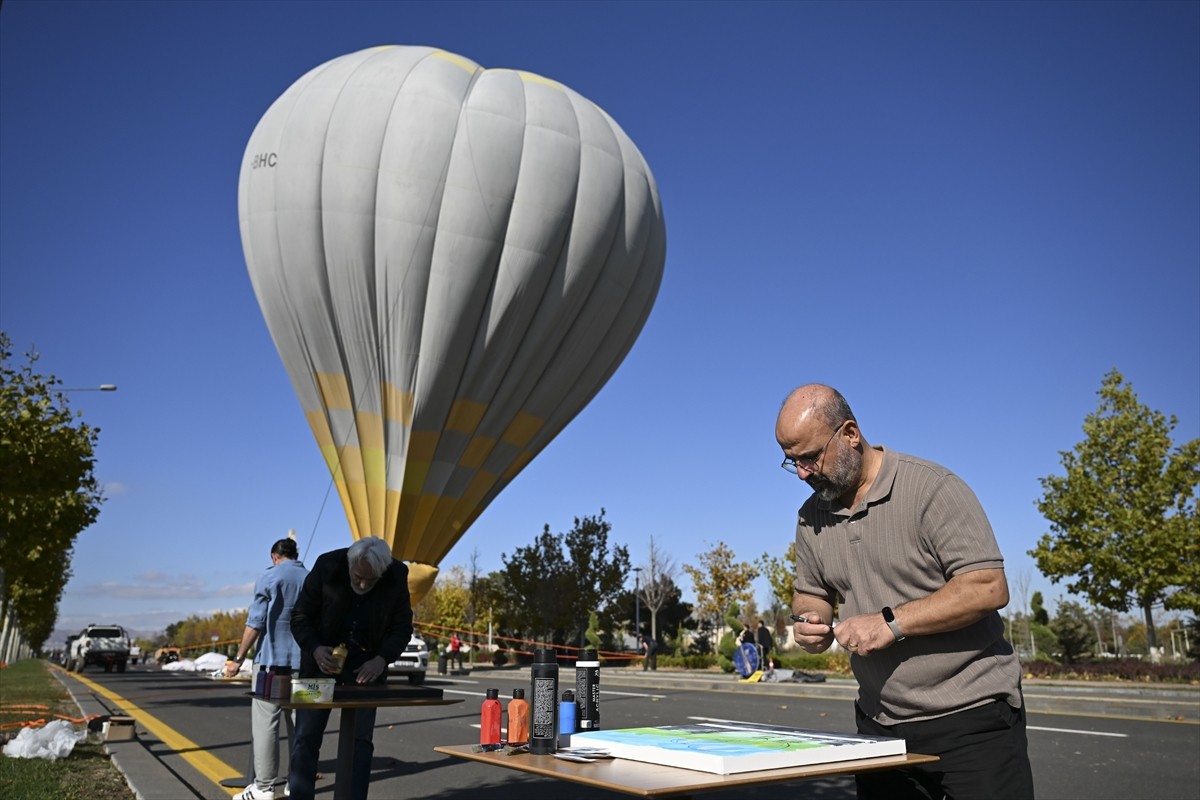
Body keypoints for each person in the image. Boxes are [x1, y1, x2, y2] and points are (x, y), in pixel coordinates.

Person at [776, 384, 1034, 799]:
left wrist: (891, 623)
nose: (804, 473)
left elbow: (987, 586)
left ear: (850, 434)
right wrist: (811, 619)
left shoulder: (932, 488)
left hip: (972, 719)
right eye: (793, 462)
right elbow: (812, 593)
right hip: (879, 726)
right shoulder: (811, 517)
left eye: (811, 457)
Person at [288, 537, 413, 800]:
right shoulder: (327, 565)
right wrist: (315, 648)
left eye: (371, 580)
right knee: (305, 738)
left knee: (361, 742)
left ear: (383, 571)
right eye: (357, 577)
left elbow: (402, 628)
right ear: (349, 564)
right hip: (317, 665)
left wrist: (382, 659)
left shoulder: (397, 574)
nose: (363, 585)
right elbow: (300, 616)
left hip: (366, 670)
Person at [225, 537, 308, 800]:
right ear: (296, 554)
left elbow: (256, 622)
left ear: (274, 556)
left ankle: (264, 787)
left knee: (266, 724)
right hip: (303, 662)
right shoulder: (311, 578)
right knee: (299, 725)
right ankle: (296, 782)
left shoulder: (269, 577)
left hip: (271, 663)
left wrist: (238, 658)